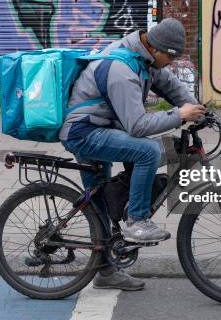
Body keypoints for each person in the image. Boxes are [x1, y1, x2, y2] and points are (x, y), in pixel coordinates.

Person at [59, 18, 206, 290]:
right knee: (148, 151)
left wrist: (197, 109)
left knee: (99, 202)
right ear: (157, 49)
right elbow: (137, 126)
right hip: (84, 133)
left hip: (100, 128)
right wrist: (178, 114)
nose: (170, 64)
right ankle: (136, 220)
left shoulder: (146, 59)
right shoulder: (121, 69)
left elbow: (170, 85)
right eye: (170, 58)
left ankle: (105, 273)